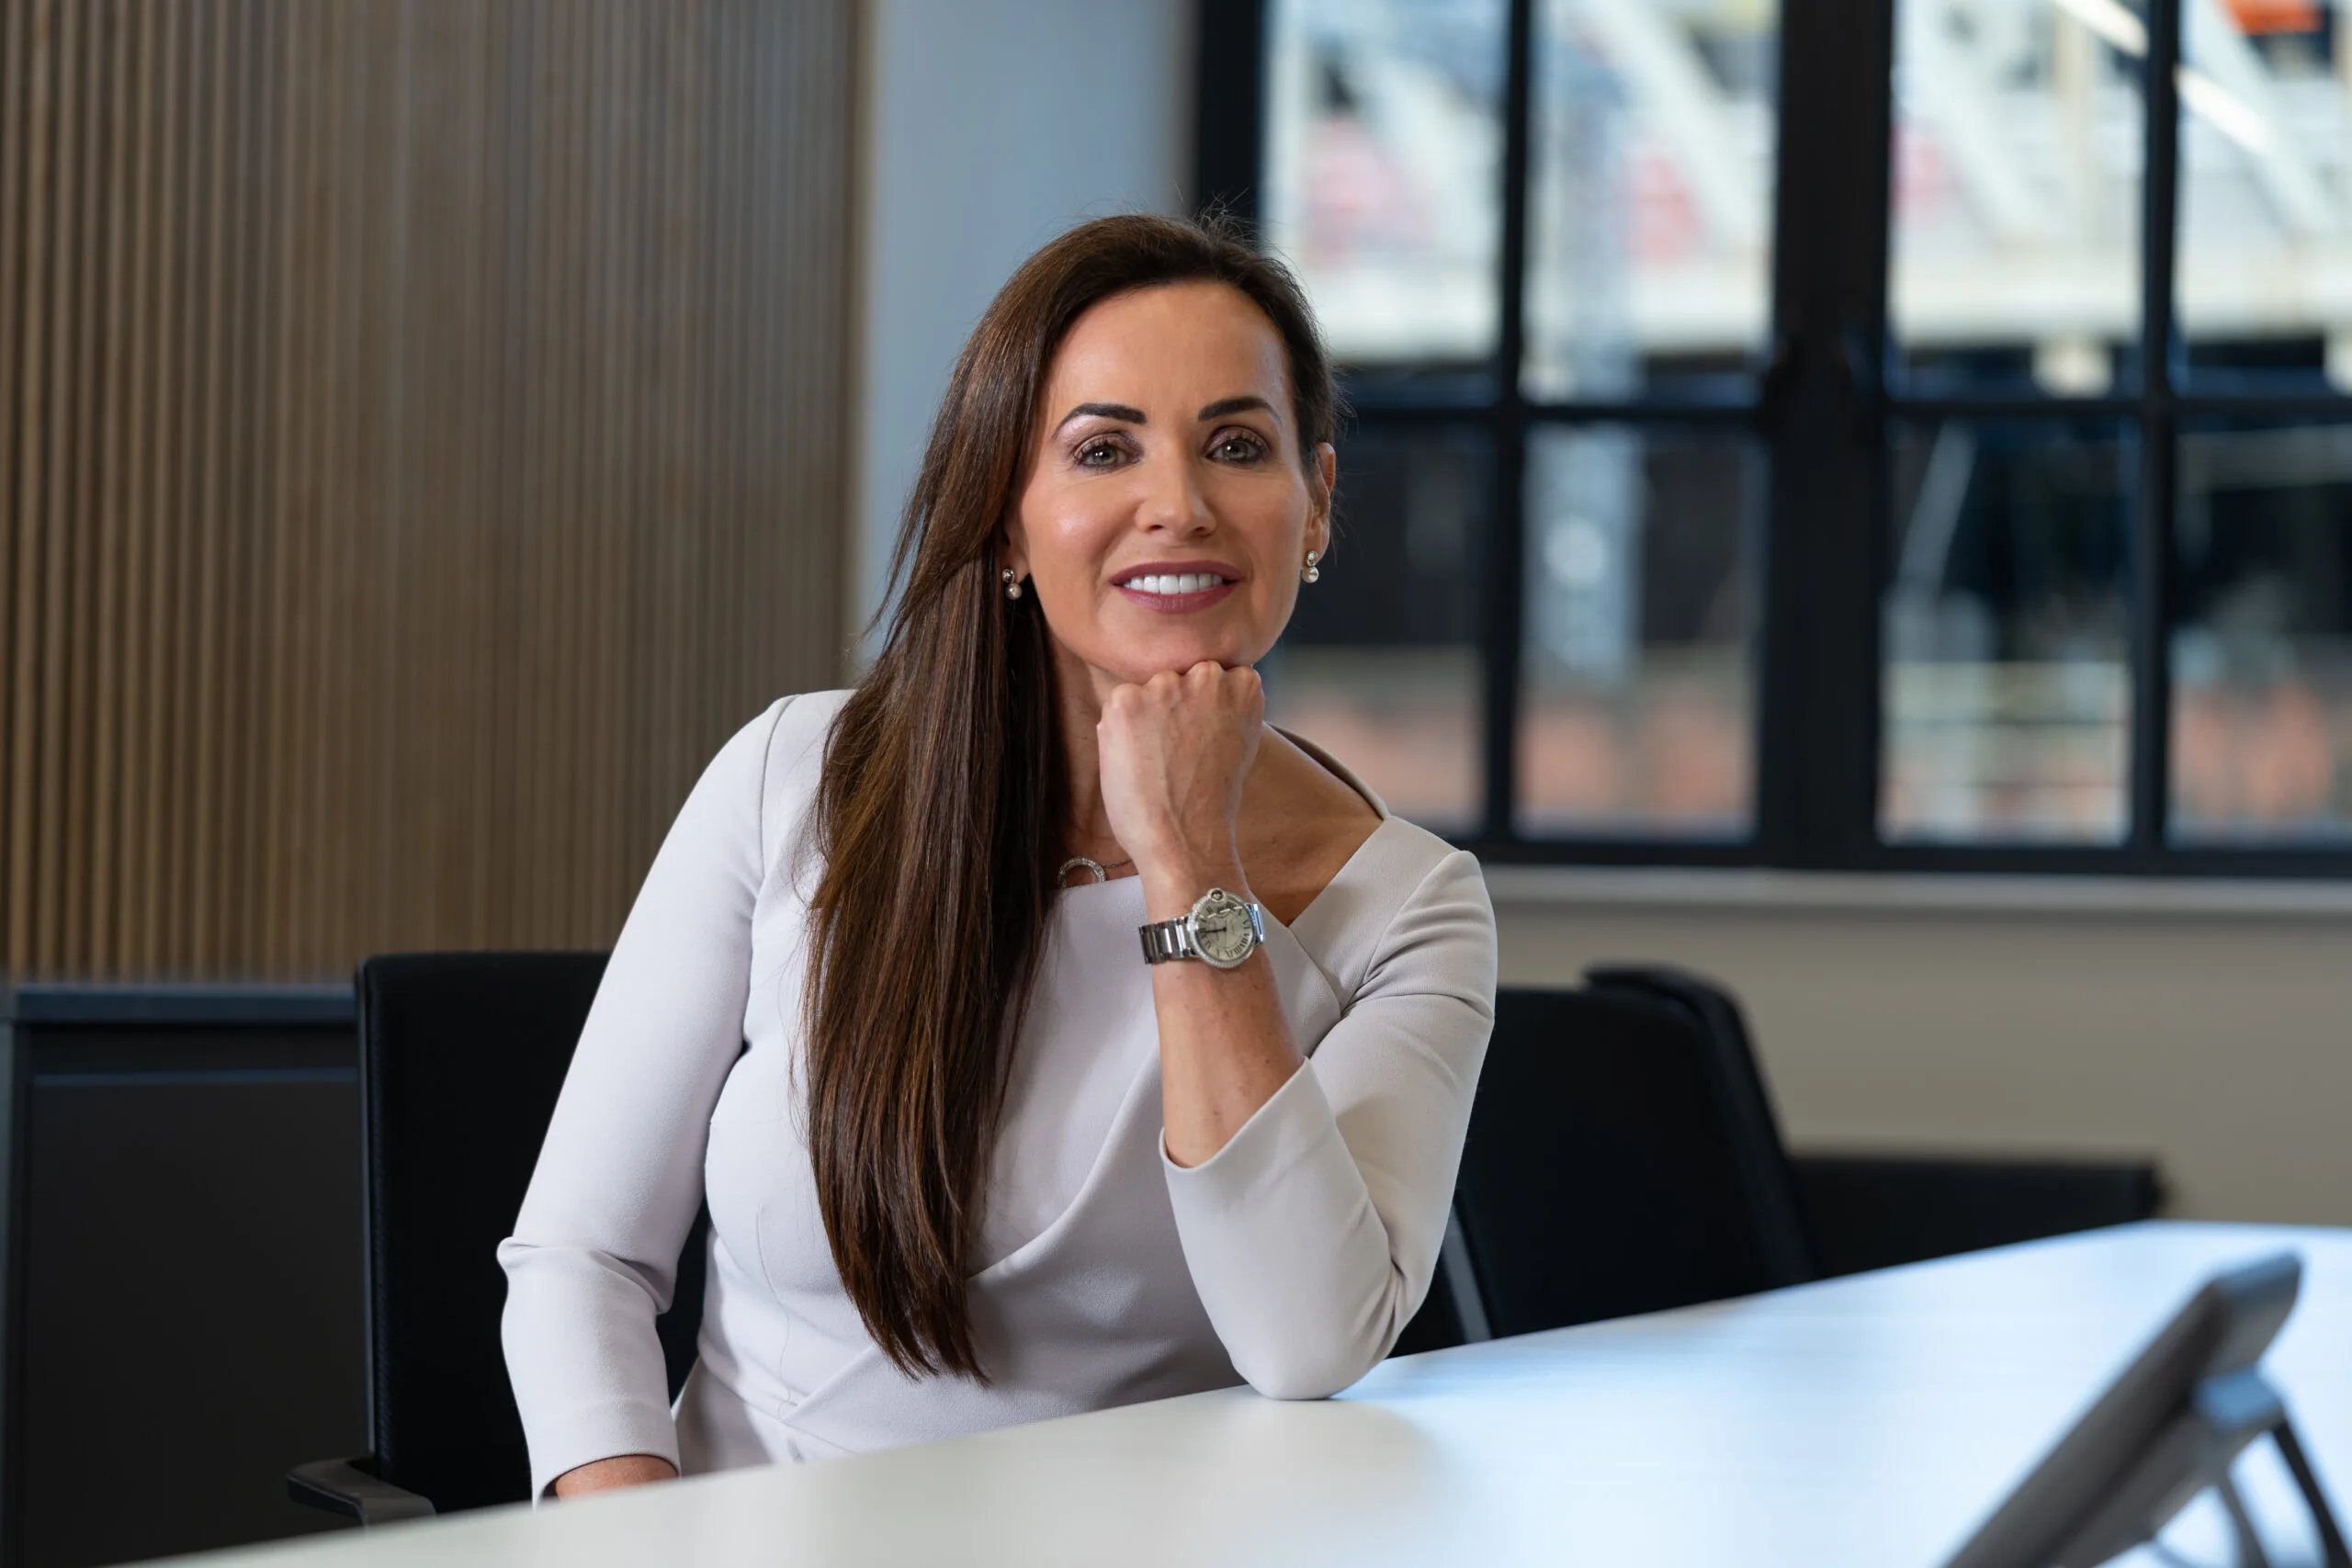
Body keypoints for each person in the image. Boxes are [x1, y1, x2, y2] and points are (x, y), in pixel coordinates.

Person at [498, 212, 1498, 1501]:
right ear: (1011, 522)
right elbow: (582, 1261)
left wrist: (1192, 859)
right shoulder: (794, 779)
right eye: (1103, 449)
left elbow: (1308, 1339)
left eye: (1236, 446)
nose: (1178, 506)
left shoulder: (1410, 907)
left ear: (1315, 506)